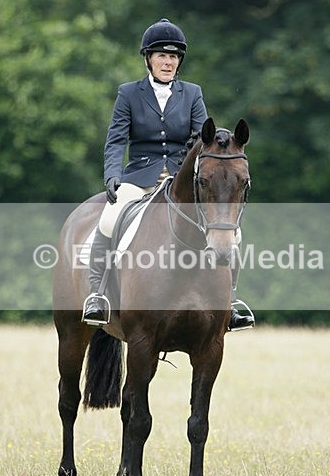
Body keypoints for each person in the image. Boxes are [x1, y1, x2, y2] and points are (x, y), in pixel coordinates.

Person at [82, 18, 254, 331]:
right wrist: (112, 174)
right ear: (148, 59)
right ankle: (98, 295)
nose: (168, 62)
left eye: (173, 57)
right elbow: (117, 138)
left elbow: (206, 138)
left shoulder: (192, 93)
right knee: (109, 218)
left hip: (181, 180)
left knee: (233, 231)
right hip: (139, 178)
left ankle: (231, 300)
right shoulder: (129, 94)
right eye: (161, 55)